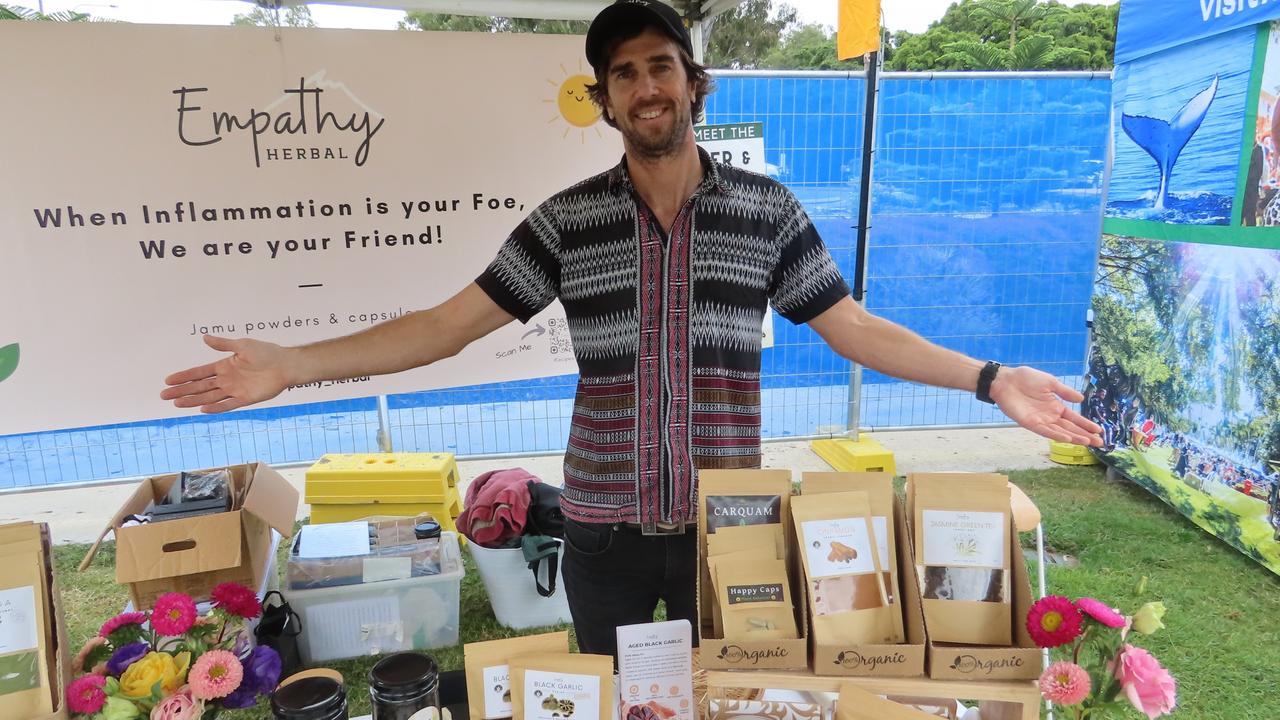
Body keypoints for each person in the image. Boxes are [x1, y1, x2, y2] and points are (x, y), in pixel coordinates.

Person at [160, 0, 1102, 658]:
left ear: (695, 84)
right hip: (601, 529)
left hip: (728, 522)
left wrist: (988, 380)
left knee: (721, 689)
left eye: (660, 66)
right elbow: (447, 326)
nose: (645, 86)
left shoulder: (767, 213)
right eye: (623, 73)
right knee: (614, 692)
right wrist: (294, 364)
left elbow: (849, 326)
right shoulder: (566, 222)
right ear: (604, 101)